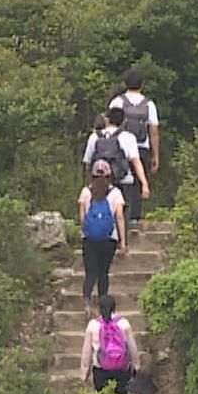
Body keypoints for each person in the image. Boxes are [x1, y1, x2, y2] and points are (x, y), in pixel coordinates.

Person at [107, 69, 159, 228]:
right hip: (142, 146)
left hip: (120, 147)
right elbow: (154, 130)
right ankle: (134, 218)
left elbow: (109, 124)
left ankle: (116, 215)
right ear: (142, 84)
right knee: (137, 183)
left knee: (118, 179)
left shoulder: (117, 101)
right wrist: (156, 155)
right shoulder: (149, 104)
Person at [83, 106, 148, 223]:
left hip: (100, 182)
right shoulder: (128, 137)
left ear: (107, 120)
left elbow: (88, 163)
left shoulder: (94, 137)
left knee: (101, 214)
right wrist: (144, 184)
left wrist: (90, 183)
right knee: (122, 215)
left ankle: (103, 237)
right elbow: (136, 162)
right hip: (124, 181)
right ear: (124, 122)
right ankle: (122, 239)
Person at [78, 159, 126, 313]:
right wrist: (122, 241)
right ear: (109, 175)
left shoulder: (86, 192)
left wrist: (86, 231)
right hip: (109, 239)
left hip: (89, 238)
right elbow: (119, 217)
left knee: (90, 271)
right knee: (103, 272)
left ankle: (86, 302)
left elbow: (82, 218)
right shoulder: (116, 193)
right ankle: (103, 305)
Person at [80, 294, 141, 394]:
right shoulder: (124, 324)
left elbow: (86, 352)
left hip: (100, 371)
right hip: (122, 370)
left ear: (99, 308)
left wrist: (84, 373)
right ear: (114, 307)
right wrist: (136, 367)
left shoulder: (93, 325)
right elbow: (133, 348)